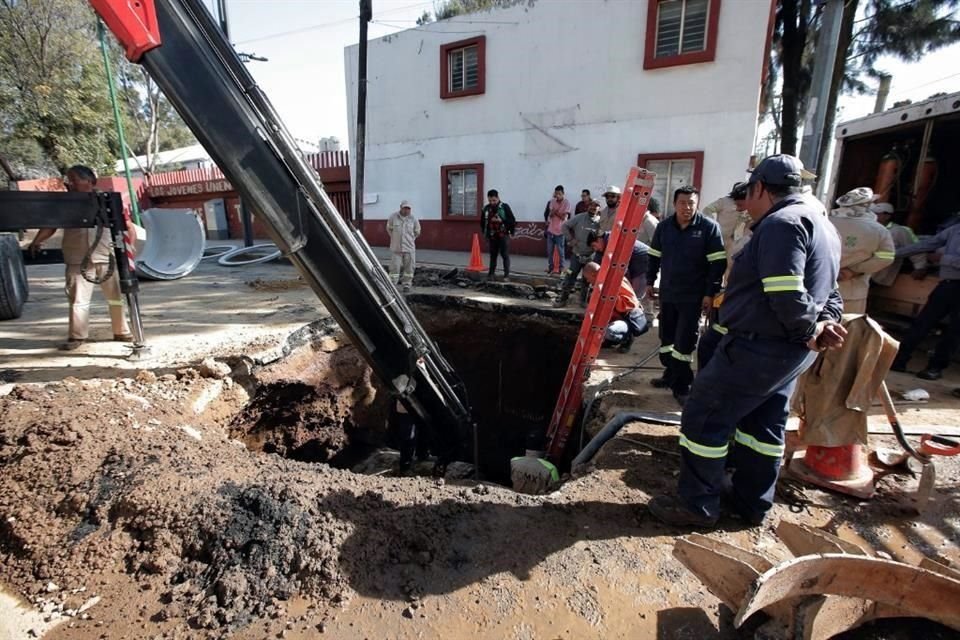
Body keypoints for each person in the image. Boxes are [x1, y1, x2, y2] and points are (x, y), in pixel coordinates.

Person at [647, 154, 845, 528]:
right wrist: (823, 324)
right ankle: (752, 504)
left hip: (760, 347)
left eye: (747, 194)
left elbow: (786, 293)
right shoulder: (822, 223)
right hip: (788, 353)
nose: (744, 205)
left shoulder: (782, 224)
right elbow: (831, 292)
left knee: (704, 416)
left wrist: (808, 329)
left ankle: (697, 506)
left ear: (759, 189)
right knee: (763, 426)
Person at [28, 165, 132, 351]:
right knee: (78, 300)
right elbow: (50, 225)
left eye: (75, 179)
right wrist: (37, 241)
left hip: (104, 257)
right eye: (69, 179)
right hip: (76, 258)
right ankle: (77, 337)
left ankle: (121, 331)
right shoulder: (64, 203)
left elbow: (126, 226)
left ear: (90, 181)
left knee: (115, 298)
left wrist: (130, 253)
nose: (71, 183)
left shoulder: (106, 201)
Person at [646, 186, 726, 404]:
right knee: (667, 339)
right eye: (683, 203)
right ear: (674, 204)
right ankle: (670, 374)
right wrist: (649, 281)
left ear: (697, 204)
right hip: (669, 293)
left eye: (691, 203)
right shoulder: (664, 228)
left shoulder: (709, 228)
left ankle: (683, 385)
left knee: (684, 341)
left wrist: (710, 293)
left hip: (694, 296)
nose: (687, 207)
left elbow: (717, 263)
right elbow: (654, 256)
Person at [890, 222, 960, 380]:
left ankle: (935, 368)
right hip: (947, 285)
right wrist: (893, 253)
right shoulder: (955, 230)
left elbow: (940, 255)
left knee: (954, 332)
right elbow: (928, 244)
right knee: (922, 323)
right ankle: (899, 360)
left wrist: (944, 259)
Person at [829, 187, 895, 314]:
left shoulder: (824, 222)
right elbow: (887, 257)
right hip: (853, 292)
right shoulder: (878, 230)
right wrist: (853, 270)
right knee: (848, 329)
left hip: (818, 287)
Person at [581, 261, 648, 352]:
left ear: (593, 274)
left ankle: (627, 338)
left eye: (587, 278)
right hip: (619, 316)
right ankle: (611, 340)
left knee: (609, 332)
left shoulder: (614, 281)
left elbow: (630, 305)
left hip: (629, 318)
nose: (588, 281)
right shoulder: (603, 283)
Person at [702, 181, 753, 284]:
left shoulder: (751, 205)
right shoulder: (724, 202)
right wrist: (714, 227)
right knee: (716, 265)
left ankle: (726, 290)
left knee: (732, 267)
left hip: (736, 242)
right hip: (720, 239)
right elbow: (707, 210)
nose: (738, 207)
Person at [555, 199, 602, 307]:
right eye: (591, 205)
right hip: (576, 255)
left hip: (590, 257)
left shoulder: (600, 221)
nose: (593, 207)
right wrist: (570, 239)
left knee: (587, 281)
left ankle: (583, 302)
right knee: (570, 277)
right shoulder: (579, 217)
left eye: (596, 206)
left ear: (599, 208)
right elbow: (564, 226)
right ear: (588, 206)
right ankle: (562, 300)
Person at [871, 202, 927, 286]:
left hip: (879, 275)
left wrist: (920, 267)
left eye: (877, 214)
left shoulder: (898, 231)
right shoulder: (869, 229)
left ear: (887, 216)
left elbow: (914, 248)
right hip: (864, 272)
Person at [587, 230, 649, 297]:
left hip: (643, 260)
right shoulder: (603, 245)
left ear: (599, 239)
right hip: (632, 261)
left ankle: (636, 303)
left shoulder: (613, 241)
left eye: (594, 246)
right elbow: (596, 264)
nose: (595, 249)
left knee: (634, 294)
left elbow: (621, 267)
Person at [480, 189, 516, 281]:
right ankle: (491, 274)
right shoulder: (486, 209)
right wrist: (486, 234)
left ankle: (506, 275)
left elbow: (512, 221)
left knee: (505, 255)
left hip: (503, 235)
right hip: (492, 236)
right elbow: (482, 222)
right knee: (493, 256)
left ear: (498, 198)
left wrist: (502, 221)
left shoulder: (504, 207)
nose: (492, 203)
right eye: (490, 201)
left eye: (494, 200)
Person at [385, 200, 421, 292]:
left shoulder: (413, 219)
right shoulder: (393, 217)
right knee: (395, 268)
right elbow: (389, 229)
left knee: (409, 268)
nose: (406, 210)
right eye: (405, 208)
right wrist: (395, 239)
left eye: (408, 208)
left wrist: (410, 240)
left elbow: (417, 231)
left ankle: (407, 285)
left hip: (409, 249)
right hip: (396, 248)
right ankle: (393, 285)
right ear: (401, 207)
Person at [543, 185, 570, 273]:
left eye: (559, 194)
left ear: (563, 194)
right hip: (551, 230)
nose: (557, 195)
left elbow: (564, 217)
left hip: (560, 231)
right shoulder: (552, 202)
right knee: (549, 251)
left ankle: (561, 268)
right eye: (556, 193)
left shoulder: (567, 203)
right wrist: (553, 213)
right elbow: (550, 215)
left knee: (561, 251)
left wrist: (556, 212)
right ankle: (551, 267)